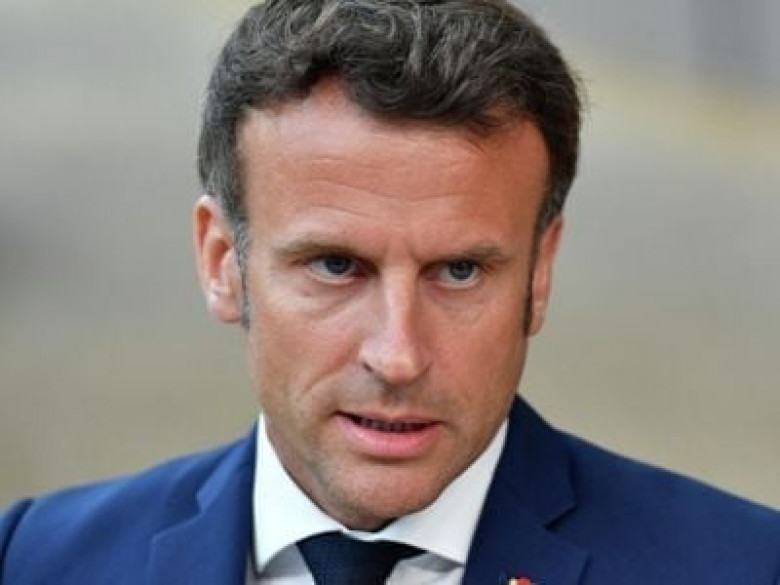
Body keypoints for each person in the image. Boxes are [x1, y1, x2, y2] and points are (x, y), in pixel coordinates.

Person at [1, 1, 778, 583]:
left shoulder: (743, 566)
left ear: (540, 273)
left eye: (460, 271)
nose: (399, 354)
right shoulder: (36, 560)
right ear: (221, 261)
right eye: (336, 266)